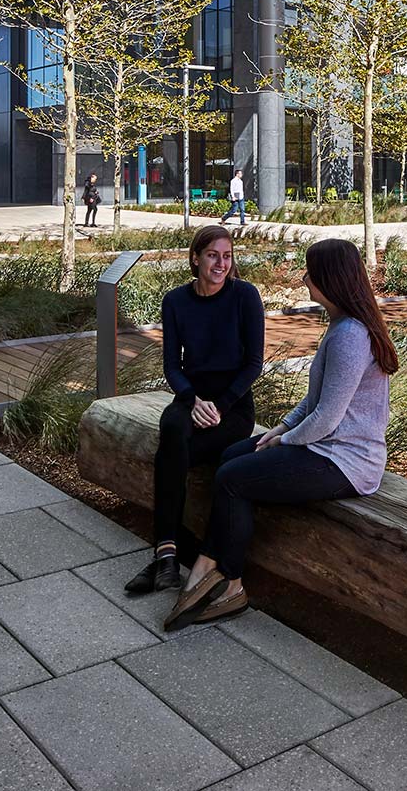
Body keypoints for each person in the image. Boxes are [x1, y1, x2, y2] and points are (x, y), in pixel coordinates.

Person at [164, 237, 396, 630]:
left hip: (347, 462)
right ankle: (210, 563)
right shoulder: (340, 326)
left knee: (233, 479)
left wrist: (286, 441)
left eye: (310, 272)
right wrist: (281, 429)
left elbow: (328, 418)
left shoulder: (350, 337)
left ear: (329, 279)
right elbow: (313, 403)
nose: (304, 278)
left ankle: (229, 580)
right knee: (232, 455)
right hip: (326, 448)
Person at [125, 226, 265, 598]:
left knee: (172, 456)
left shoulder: (245, 297)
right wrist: (192, 400)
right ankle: (169, 556)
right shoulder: (176, 301)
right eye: (213, 255)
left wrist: (219, 406)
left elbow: (254, 364)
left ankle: (165, 556)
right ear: (195, 258)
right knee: (172, 430)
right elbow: (173, 365)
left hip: (232, 408)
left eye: (227, 256)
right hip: (192, 399)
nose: (221, 263)